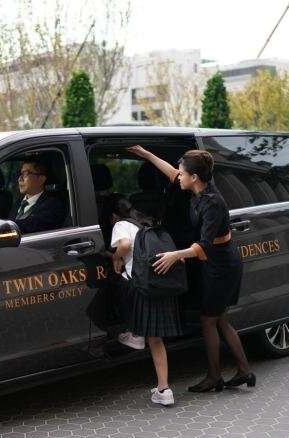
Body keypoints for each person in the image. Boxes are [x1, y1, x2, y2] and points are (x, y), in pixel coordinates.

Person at [126, 145, 255, 393]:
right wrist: (147, 154)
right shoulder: (197, 188)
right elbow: (171, 173)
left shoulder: (213, 203)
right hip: (214, 261)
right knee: (220, 319)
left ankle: (215, 376)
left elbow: (204, 245)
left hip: (222, 265)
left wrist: (176, 255)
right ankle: (244, 371)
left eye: (183, 173)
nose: (178, 176)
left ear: (194, 177)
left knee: (209, 320)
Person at [109, 196, 183, 406]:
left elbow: (124, 245)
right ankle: (163, 388)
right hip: (160, 283)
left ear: (114, 215)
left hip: (142, 287)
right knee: (156, 339)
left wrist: (116, 257)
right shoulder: (151, 225)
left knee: (117, 286)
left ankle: (135, 333)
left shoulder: (121, 225)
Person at [7, 158, 66, 234]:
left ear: (41, 179)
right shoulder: (17, 203)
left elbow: (33, 225)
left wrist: (5, 226)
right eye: (20, 173)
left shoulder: (53, 205)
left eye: (25, 174)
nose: (20, 179)